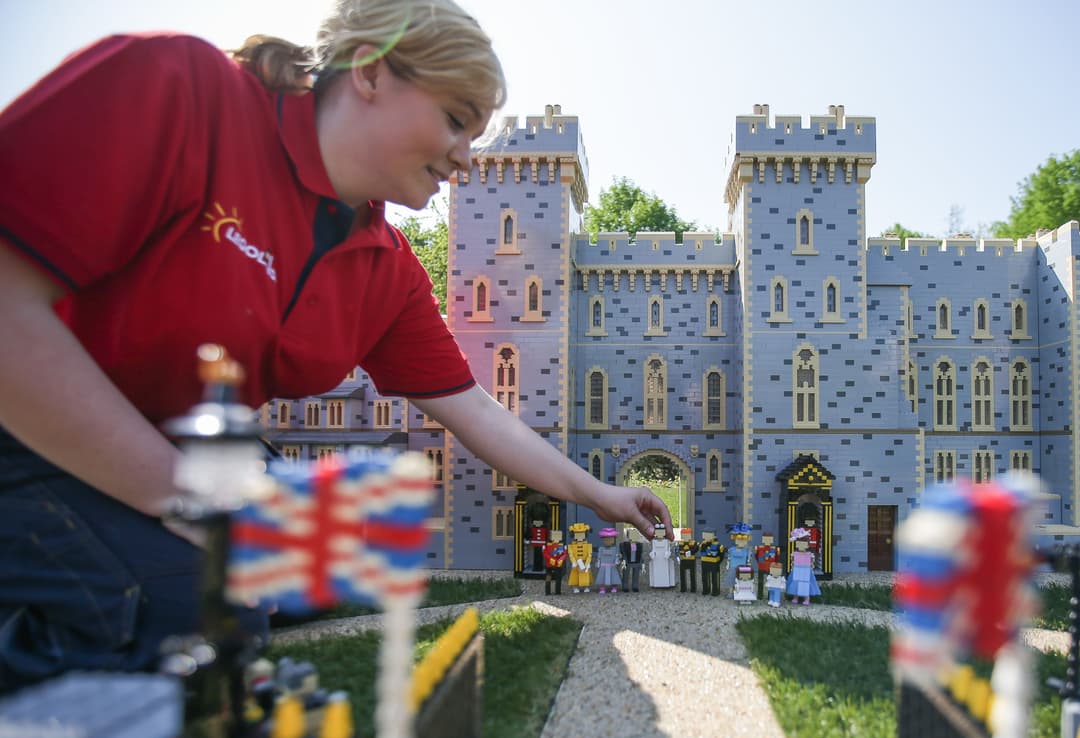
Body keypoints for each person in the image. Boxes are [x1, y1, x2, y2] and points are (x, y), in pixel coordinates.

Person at [0, 0, 672, 691]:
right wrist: (185, 502)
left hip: (182, 443)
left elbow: (474, 409)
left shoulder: (383, 263)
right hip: (29, 426)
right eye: (454, 119)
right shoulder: (180, 87)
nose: (467, 159)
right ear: (372, 72)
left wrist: (600, 494)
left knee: (298, 576)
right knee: (178, 603)